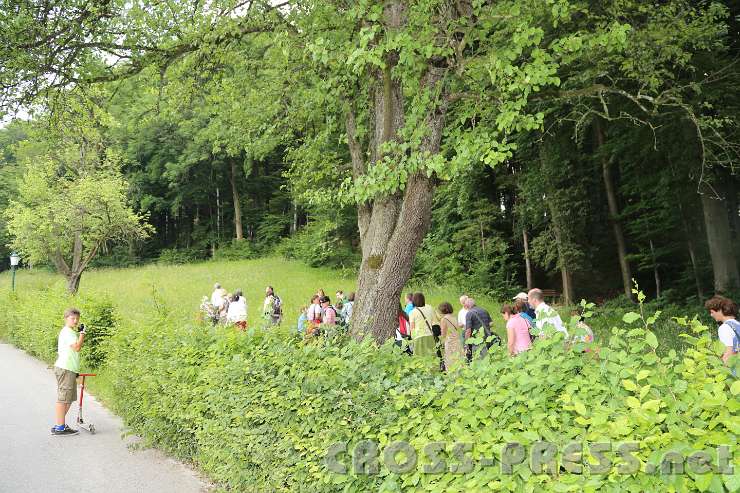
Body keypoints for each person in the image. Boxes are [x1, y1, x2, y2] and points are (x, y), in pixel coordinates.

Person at [52, 308, 86, 436]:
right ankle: (60, 428)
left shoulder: (70, 332)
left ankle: (59, 425)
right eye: (73, 318)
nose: (75, 321)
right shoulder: (67, 332)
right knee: (63, 398)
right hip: (65, 368)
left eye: (77, 318)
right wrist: (82, 334)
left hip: (70, 369)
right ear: (66, 318)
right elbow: (77, 347)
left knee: (69, 398)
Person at [705, 295, 739, 365]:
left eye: (712, 312)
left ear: (720, 310)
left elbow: (728, 353)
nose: (711, 315)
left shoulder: (724, 328)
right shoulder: (738, 324)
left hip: (734, 368)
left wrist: (723, 368)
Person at [408, 292, 439, 359]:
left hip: (418, 337)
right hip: (430, 335)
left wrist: (412, 340)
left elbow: (412, 328)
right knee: (432, 357)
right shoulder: (430, 308)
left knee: (419, 358)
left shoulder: (412, 312)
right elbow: (434, 322)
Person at [439, 302, 464, 370]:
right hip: (457, 341)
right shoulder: (454, 317)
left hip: (450, 342)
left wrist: (441, 341)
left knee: (450, 362)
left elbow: (443, 334)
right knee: (458, 361)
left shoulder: (444, 319)